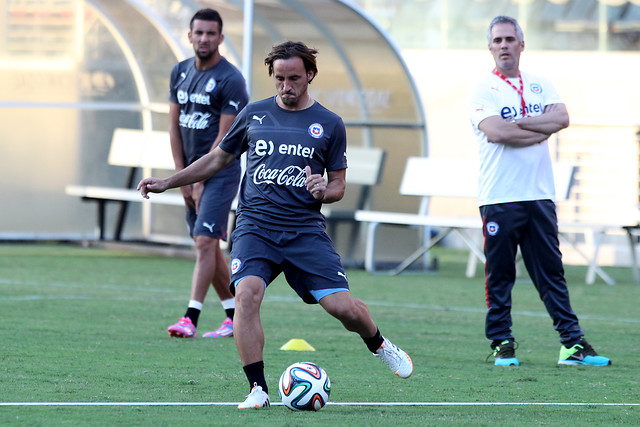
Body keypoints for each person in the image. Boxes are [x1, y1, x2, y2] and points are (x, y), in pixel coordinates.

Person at [139, 40, 413, 408]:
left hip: (304, 231)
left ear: (310, 75)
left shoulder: (329, 123)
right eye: (280, 79)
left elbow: (338, 186)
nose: (286, 86)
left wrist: (323, 189)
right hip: (256, 227)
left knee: (342, 309)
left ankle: (379, 344)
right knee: (246, 295)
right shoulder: (254, 114)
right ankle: (258, 390)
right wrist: (169, 181)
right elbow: (217, 159)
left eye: (294, 78)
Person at [468, 16, 611, 367]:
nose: (504, 45)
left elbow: (561, 119)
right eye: (497, 40)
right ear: (490, 47)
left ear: (521, 44)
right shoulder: (483, 88)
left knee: (551, 272)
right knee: (500, 273)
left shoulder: (539, 84)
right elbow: (497, 132)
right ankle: (501, 342)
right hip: (499, 197)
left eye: (510, 39)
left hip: (539, 195)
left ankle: (572, 346)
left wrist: (518, 124)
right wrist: (537, 127)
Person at [164, 9, 249, 339]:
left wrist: (198, 181)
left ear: (220, 38)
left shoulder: (231, 79)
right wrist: (181, 177)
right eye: (198, 33)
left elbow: (223, 142)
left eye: (211, 34)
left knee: (203, 242)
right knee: (208, 248)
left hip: (220, 173)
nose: (204, 39)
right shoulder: (180, 72)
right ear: (189, 36)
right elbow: (173, 127)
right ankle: (233, 315)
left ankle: (190, 318)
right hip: (189, 174)